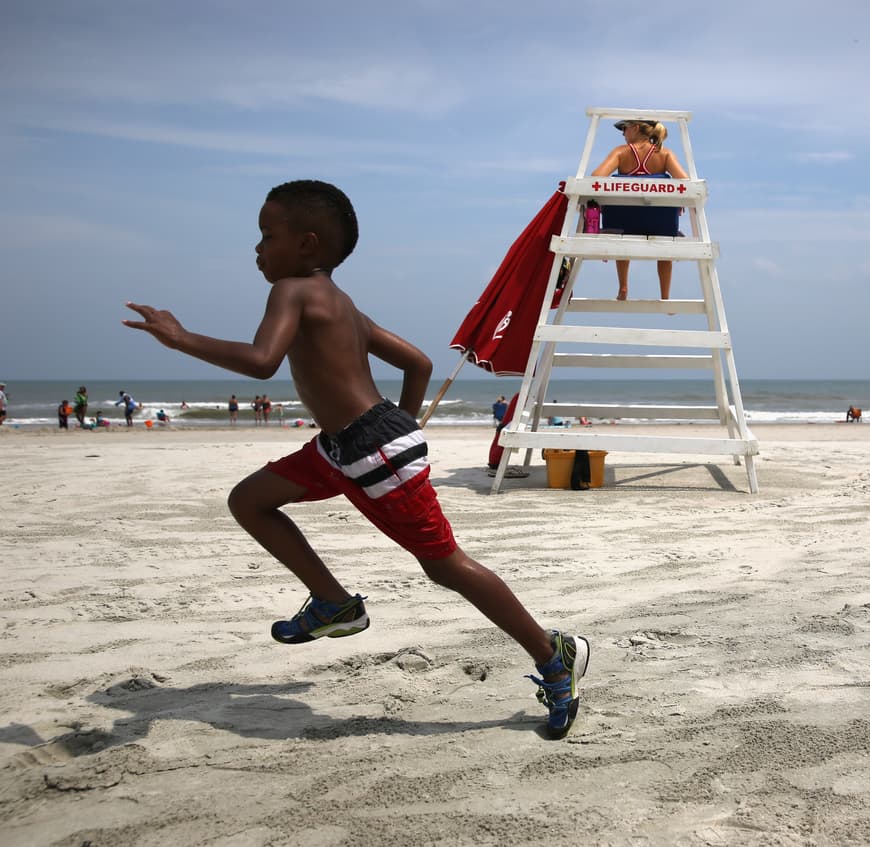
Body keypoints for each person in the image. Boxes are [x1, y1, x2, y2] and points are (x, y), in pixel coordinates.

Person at [121, 179, 587, 738]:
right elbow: (416, 362)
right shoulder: (343, 306)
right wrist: (402, 426)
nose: (257, 248)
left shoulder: (292, 292)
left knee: (444, 566)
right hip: (345, 448)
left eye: (267, 235)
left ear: (308, 244)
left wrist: (181, 337)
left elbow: (262, 361)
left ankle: (553, 655)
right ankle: (334, 602)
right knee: (250, 500)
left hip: (370, 450)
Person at [591, 119, 689, 300]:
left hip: (621, 226)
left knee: (622, 237)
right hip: (661, 226)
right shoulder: (664, 154)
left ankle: (623, 287)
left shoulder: (621, 152)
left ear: (635, 128)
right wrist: (677, 198)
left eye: (624, 129)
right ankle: (665, 296)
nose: (622, 134)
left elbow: (596, 177)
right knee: (665, 244)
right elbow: (686, 182)